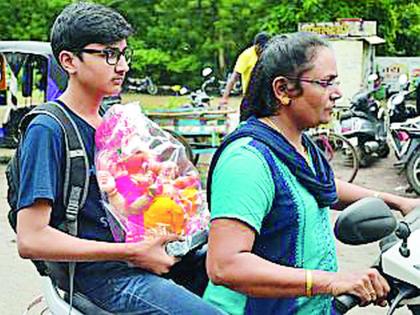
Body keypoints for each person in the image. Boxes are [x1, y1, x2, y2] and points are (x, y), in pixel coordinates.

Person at [15, 2, 224, 314]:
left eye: (125, 54)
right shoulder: (48, 129)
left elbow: (125, 201)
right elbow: (31, 239)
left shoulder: (113, 121)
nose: (123, 65)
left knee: (239, 271)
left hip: (144, 254)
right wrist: (133, 251)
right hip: (100, 276)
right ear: (69, 61)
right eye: (109, 54)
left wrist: (162, 188)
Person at [203, 33, 420, 315]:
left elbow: (318, 186)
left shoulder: (298, 144)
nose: (337, 92)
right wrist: (331, 282)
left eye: (336, 82)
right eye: (325, 82)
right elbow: (225, 265)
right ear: (282, 90)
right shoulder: (247, 161)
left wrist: (399, 202)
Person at [219, 32, 270, 106]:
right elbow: (234, 77)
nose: (263, 50)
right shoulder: (246, 56)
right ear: (256, 45)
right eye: (262, 47)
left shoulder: (269, 54)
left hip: (266, 95)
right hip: (250, 96)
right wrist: (224, 98)